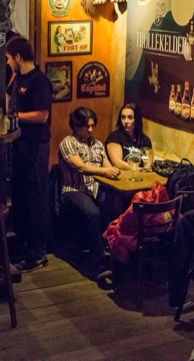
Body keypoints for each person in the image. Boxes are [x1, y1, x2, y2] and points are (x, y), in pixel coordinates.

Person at [3, 37, 53, 272]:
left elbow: (42, 115)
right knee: (20, 196)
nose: (8, 62)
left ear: (18, 57)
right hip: (19, 144)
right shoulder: (18, 78)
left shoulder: (39, 81)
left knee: (35, 197)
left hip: (35, 146)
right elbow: (5, 99)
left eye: (9, 58)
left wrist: (16, 117)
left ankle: (38, 252)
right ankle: (23, 245)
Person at [58, 107, 120, 280]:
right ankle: (99, 266)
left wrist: (115, 170)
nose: (90, 129)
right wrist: (104, 172)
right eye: (86, 126)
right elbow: (81, 167)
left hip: (95, 188)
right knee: (92, 213)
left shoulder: (98, 144)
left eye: (92, 125)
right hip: (74, 190)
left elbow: (107, 166)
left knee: (117, 206)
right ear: (76, 125)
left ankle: (117, 256)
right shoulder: (68, 142)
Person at [105, 103, 153, 170]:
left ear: (137, 119)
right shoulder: (114, 137)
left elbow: (148, 164)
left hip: (140, 177)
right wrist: (140, 170)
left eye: (130, 117)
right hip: (122, 176)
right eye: (123, 117)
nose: (126, 121)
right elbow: (118, 164)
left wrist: (143, 173)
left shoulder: (145, 140)